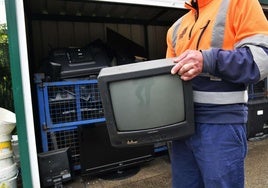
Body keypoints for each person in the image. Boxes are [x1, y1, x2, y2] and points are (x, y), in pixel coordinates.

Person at [166, 0, 268, 187]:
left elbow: (261, 59)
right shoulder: (176, 27)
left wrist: (208, 60)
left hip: (221, 124)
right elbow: (169, 78)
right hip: (182, 128)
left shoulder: (240, 3)